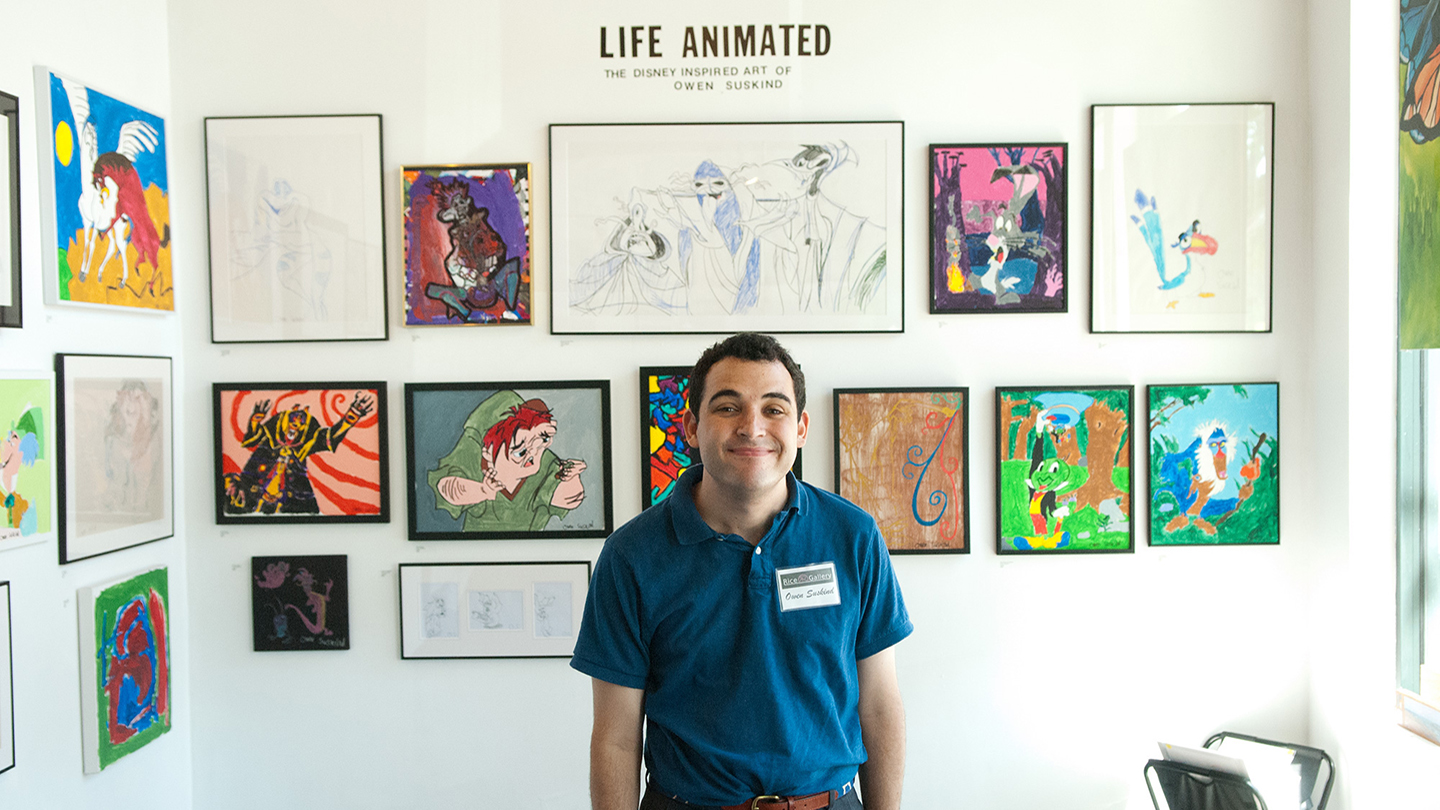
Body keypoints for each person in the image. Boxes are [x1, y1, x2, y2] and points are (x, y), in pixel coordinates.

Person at [572, 333, 911, 810]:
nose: (752, 428)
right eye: (728, 408)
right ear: (691, 427)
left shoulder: (853, 537)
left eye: (774, 409)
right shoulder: (630, 556)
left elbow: (878, 705)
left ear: (801, 428)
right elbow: (616, 737)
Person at [427, 391, 587, 532]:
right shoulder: (474, 457)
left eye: (539, 446)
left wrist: (572, 477)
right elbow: (447, 487)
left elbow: (568, 496)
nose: (533, 455)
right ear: (488, 451)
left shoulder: (545, 465)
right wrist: (482, 491)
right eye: (520, 452)